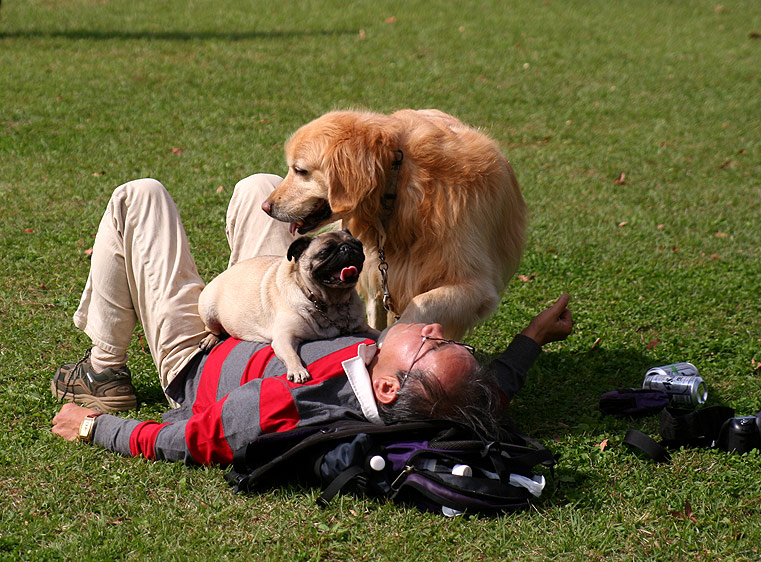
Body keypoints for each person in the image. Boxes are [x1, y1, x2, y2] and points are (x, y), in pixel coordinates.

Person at [50, 175, 573, 466]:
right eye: (447, 341)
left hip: (198, 359)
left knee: (140, 197)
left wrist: (97, 428)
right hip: (271, 308)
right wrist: (532, 338)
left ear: (387, 388)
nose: (435, 330)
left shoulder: (301, 395)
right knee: (260, 189)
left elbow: (199, 439)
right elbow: (486, 393)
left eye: (431, 346)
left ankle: (102, 372)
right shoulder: (427, 398)